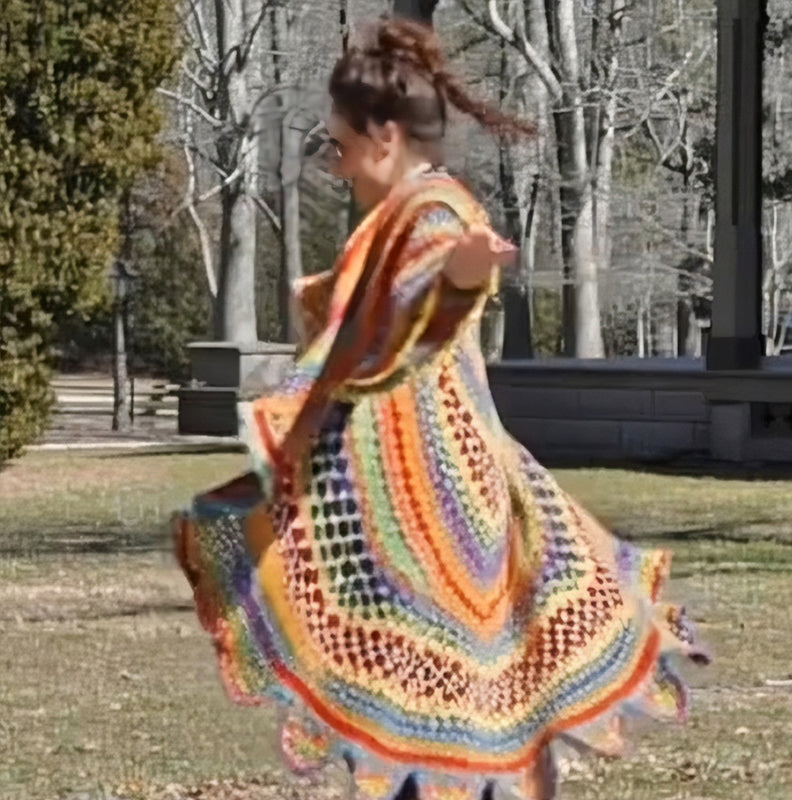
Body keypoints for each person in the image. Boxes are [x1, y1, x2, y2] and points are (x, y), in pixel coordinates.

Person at [173, 16, 709, 800]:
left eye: (342, 146)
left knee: (461, 711)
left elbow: (418, 316)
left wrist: (458, 278)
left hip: (445, 512)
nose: (339, 165)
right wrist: (318, 298)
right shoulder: (400, 216)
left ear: (384, 136)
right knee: (435, 714)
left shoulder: (435, 215)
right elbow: (368, 312)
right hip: (404, 505)